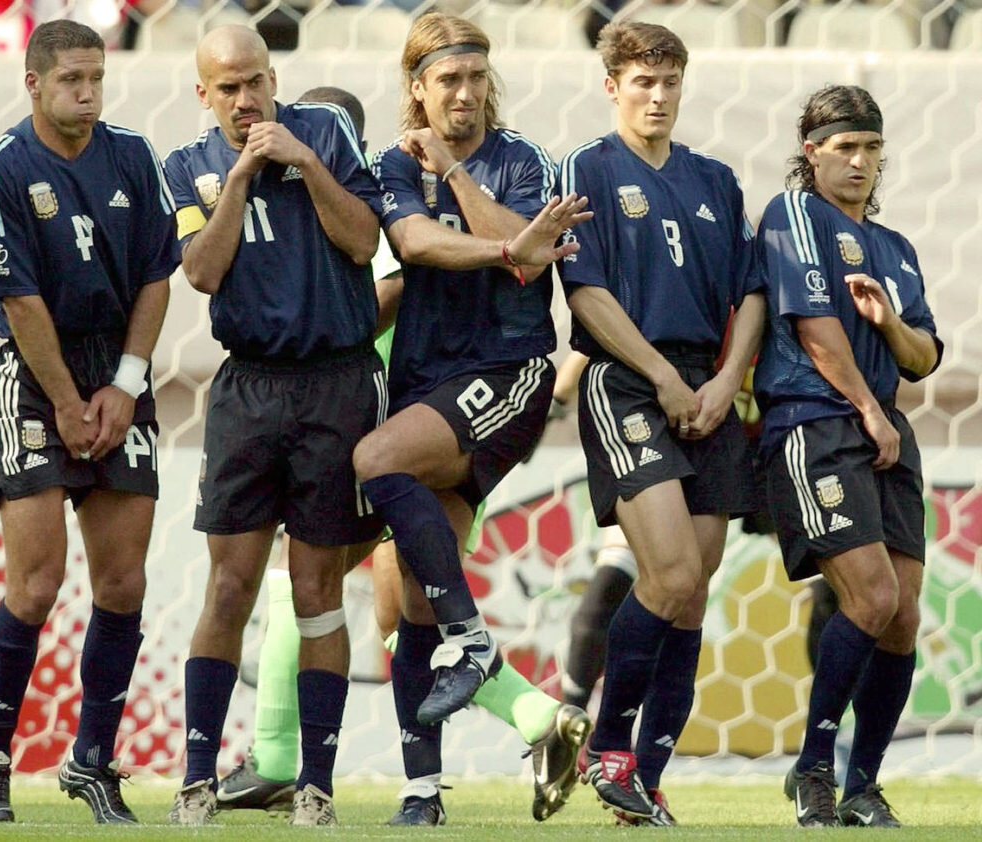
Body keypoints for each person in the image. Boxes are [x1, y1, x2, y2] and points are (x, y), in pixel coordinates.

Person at [354, 11, 594, 826]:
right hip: (427, 386)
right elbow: (414, 243)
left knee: (375, 461)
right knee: (413, 605)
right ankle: (422, 793)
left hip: (507, 373)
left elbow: (525, 257)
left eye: (475, 78)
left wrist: (458, 174)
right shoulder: (391, 164)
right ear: (417, 87)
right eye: (448, 79)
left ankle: (477, 643)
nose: (464, 92)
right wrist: (508, 246)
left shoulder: (522, 158)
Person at [161, 27, 388, 827]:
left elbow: (364, 240)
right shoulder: (187, 166)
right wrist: (240, 179)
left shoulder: (326, 131)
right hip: (248, 388)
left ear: (273, 78)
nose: (246, 99)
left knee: (317, 590)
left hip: (337, 384)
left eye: (255, 81)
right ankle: (197, 780)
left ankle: (315, 786)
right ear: (204, 94)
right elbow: (201, 272)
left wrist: (308, 164)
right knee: (229, 586)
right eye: (228, 87)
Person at [0, 20, 176, 825]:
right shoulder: (0, 170)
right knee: (37, 583)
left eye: (96, 79)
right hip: (34, 376)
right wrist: (63, 400)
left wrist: (125, 383)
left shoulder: (134, 155)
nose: (88, 94)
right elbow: (19, 301)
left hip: (120, 369)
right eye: (71, 81)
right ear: (33, 83)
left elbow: (158, 275)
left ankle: (92, 760)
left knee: (123, 583)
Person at [559, 21, 764, 826]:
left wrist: (725, 381)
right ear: (612, 86)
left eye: (669, 81)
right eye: (642, 82)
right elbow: (585, 294)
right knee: (672, 575)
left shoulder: (714, 180)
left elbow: (751, 293)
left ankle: (643, 781)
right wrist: (665, 378)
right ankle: (607, 746)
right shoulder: (589, 168)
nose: (657, 96)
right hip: (629, 381)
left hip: (708, 390)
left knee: (691, 596)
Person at [753, 84, 942, 828]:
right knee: (869, 597)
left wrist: (889, 322)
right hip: (818, 421)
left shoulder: (897, 250)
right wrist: (868, 409)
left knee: (902, 617)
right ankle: (812, 769)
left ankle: (862, 784)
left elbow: (923, 356)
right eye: (844, 148)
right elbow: (813, 330)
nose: (859, 162)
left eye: (871, 149)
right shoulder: (795, 215)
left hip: (886, 429)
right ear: (813, 152)